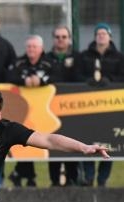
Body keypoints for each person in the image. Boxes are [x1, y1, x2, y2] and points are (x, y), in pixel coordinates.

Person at [76, 23, 124, 186]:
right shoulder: (84, 56)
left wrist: (110, 81)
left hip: (110, 107)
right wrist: (86, 82)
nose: (101, 36)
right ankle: (88, 176)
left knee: (108, 141)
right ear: (95, 36)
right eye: (98, 33)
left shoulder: (119, 57)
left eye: (104, 33)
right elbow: (77, 75)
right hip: (88, 107)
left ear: (110, 36)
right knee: (88, 139)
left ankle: (103, 179)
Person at [6, 35, 54, 187]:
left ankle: (21, 174)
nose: (31, 49)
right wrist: (23, 81)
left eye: (35, 47)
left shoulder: (49, 62)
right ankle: (27, 175)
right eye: (29, 47)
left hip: (47, 109)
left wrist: (42, 82)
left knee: (41, 140)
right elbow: (9, 76)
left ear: (41, 48)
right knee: (23, 140)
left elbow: (59, 76)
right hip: (24, 109)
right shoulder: (19, 62)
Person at [45, 26, 79, 186]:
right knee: (53, 143)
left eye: (64, 37)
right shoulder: (46, 58)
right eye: (57, 36)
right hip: (50, 108)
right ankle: (54, 180)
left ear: (69, 39)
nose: (60, 39)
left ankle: (73, 178)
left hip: (72, 109)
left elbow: (80, 78)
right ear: (53, 39)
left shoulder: (77, 58)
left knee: (72, 140)